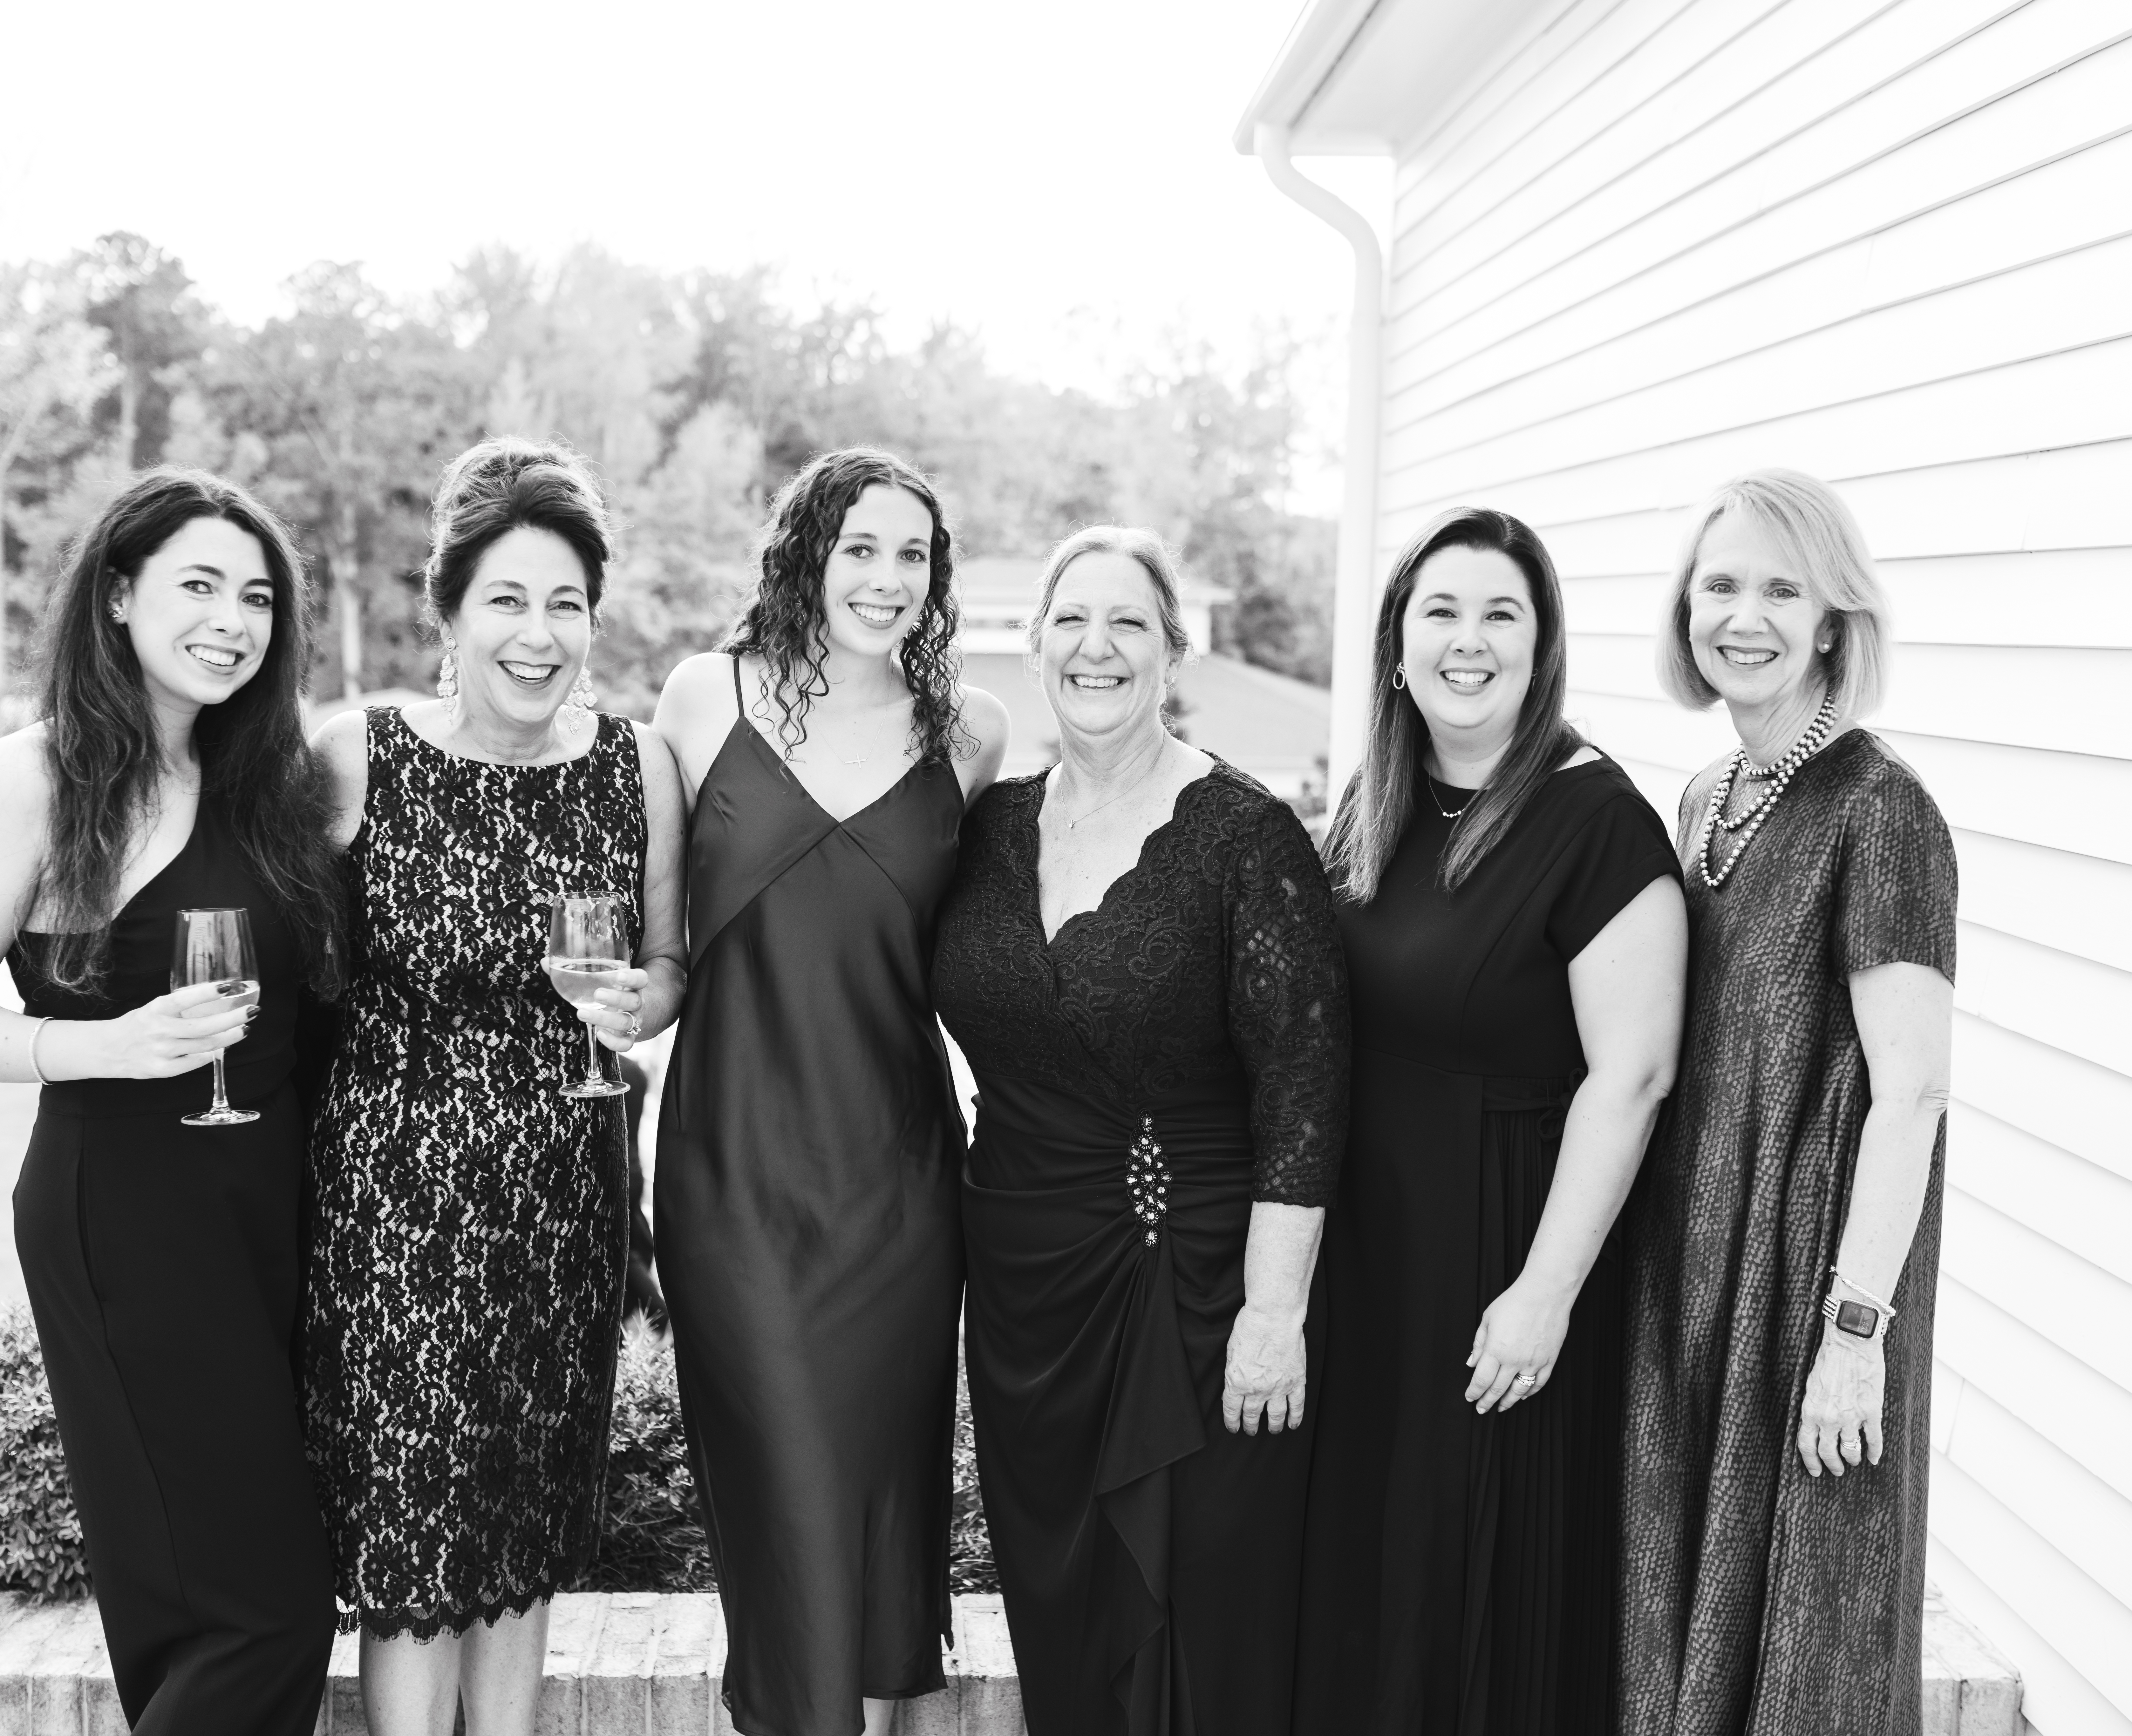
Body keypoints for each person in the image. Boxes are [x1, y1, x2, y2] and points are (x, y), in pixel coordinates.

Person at [0, 468, 344, 1735]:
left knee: (188, 1604)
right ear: (118, 594)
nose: (231, 620)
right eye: (199, 585)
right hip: (130, 1219)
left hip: (274, 1212)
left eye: (256, 597)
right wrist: (105, 1045)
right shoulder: (29, 779)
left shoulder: (268, 780)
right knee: (267, 1610)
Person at [298, 439, 689, 1736]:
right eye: (507, 600)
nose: (538, 634)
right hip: (391, 1217)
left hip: (561, 1211)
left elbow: (667, 964)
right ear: (449, 612)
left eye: (566, 603)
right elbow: (284, 965)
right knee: (414, 1555)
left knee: (522, 1539)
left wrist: (643, 1004)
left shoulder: (636, 766)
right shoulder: (356, 757)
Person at [930, 525, 1348, 1735]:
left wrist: (1275, 1314)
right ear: (1035, 647)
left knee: (1198, 1619)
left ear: (1174, 650)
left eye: (1128, 623)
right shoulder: (989, 827)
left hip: (1195, 1288)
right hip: (1024, 1295)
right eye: (1071, 620)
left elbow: (1306, 1087)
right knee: (1062, 1612)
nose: (1096, 647)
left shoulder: (1243, 834)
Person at [1292, 509, 1686, 1736]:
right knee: (1374, 1578)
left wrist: (1544, 1294)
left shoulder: (1598, 819)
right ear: (1398, 643)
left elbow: (1634, 1076)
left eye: (1500, 614)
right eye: (1443, 612)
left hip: (1501, 1254)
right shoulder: (1380, 799)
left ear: (1541, 643)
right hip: (1372, 1256)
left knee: (1475, 1585)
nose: (1469, 642)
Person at [650, 447, 1010, 1736]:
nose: (886, 577)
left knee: (878, 1500)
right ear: (806, 551)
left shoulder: (970, 732)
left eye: (912, 554)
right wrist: (617, 1000)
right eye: (860, 546)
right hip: (732, 1169)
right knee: (785, 1495)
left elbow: (990, 953)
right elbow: (662, 956)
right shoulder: (704, 695)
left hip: (898, 1177)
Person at [1621, 469, 1956, 1736]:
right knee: (1668, 1623)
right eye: (1720, 585)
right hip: (1689, 1281)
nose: (1743, 616)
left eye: (1781, 589)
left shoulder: (1882, 811)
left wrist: (1855, 1335)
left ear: (1831, 621)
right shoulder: (1704, 799)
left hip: (1808, 1282)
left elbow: (1912, 1094)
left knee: (1806, 1637)